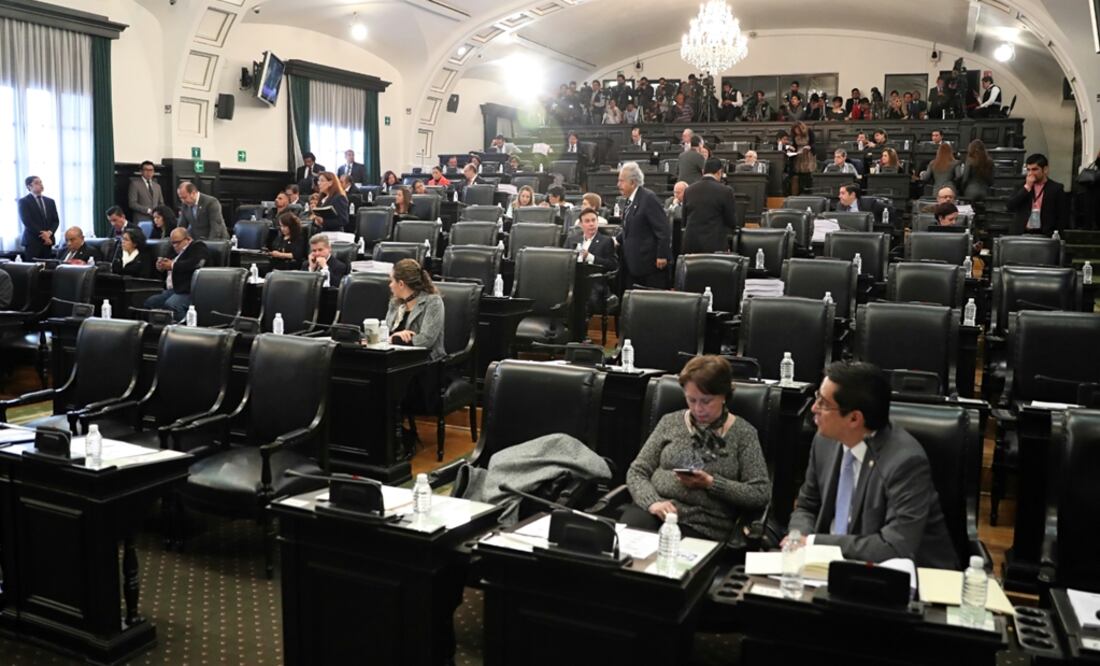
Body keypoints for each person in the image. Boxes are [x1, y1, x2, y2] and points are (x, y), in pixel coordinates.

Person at [785, 361, 958, 568]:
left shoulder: (905, 462)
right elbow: (807, 505)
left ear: (854, 419)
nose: (814, 408)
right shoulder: (824, 441)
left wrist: (814, 543)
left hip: (904, 577)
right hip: (824, 565)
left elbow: (894, 546)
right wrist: (798, 538)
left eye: (823, 403)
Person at [624, 355, 770, 540]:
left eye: (706, 401)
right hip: (654, 511)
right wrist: (653, 502)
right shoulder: (670, 422)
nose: (698, 409)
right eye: (691, 400)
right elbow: (637, 471)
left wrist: (711, 483)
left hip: (703, 525)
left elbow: (759, 493)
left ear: (724, 395)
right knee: (621, 550)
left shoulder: (744, 433)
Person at [617, 162, 671, 289]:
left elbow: (663, 229)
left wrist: (662, 255)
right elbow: (630, 227)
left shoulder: (648, 198)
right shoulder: (630, 200)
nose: (618, 185)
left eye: (621, 181)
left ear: (633, 182)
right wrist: (616, 240)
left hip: (650, 264)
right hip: (634, 262)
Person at [386, 258, 445, 361]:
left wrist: (395, 339)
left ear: (401, 284)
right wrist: (393, 337)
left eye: (391, 281)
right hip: (394, 357)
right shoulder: (394, 303)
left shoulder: (433, 302)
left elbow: (426, 340)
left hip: (425, 361)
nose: (389, 285)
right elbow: (385, 332)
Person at [145, 228, 208, 321]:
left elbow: (196, 264)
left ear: (188, 239)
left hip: (188, 290)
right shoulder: (173, 250)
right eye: (173, 243)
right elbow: (168, 268)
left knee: (172, 304)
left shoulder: (198, 246)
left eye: (178, 242)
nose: (175, 245)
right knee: (151, 302)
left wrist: (172, 265)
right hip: (173, 289)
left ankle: (184, 330)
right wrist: (161, 267)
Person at [565, 207, 618, 315]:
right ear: (581, 224)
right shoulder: (572, 239)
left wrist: (590, 257)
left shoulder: (606, 241)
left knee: (585, 296)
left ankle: (582, 327)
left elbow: (613, 265)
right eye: (587, 221)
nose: (591, 224)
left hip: (594, 281)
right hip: (572, 279)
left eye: (594, 220)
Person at [682, 158, 737, 254]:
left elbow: (684, 220)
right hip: (715, 246)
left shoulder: (688, 190)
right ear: (719, 172)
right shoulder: (726, 191)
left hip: (691, 245)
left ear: (703, 171)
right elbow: (731, 221)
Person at [1007, 153, 1070, 235]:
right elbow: (1010, 206)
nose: (1030, 173)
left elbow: (1062, 216)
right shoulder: (1021, 187)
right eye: (1028, 170)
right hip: (1022, 232)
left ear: (1045, 169)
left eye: (1035, 169)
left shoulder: (1056, 188)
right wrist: (1027, 188)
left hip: (1045, 233)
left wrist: (1056, 234)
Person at [17, 175, 59, 259]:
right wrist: (44, 235)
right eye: (36, 183)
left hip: (48, 242)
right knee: (33, 269)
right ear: (29, 186)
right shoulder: (24, 201)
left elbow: (56, 220)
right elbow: (27, 222)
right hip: (33, 241)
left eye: (41, 182)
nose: (40, 184)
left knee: (47, 268)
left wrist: (49, 233)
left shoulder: (50, 201)